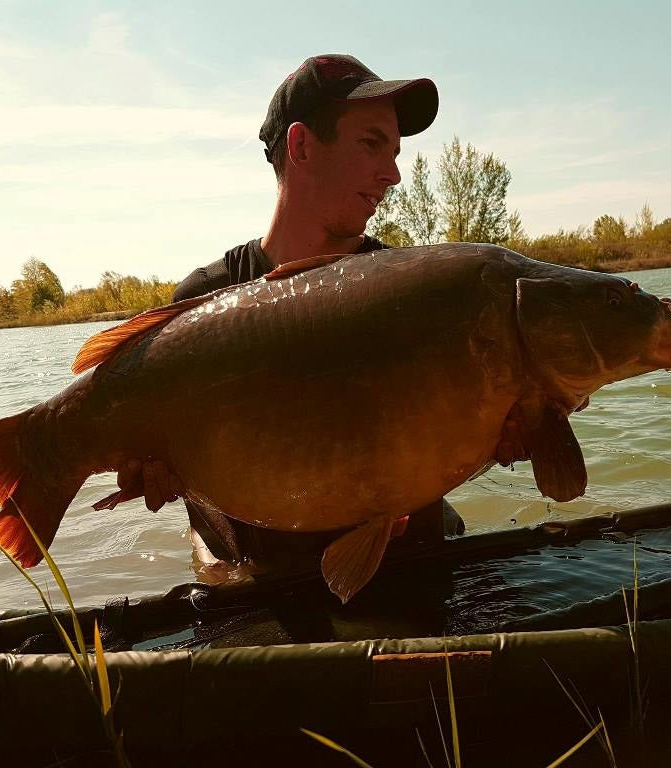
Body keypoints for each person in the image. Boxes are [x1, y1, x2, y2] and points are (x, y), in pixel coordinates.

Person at [119, 54, 465, 572]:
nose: (392, 174)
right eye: (371, 144)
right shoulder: (204, 303)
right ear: (301, 145)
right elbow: (191, 500)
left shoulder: (408, 291)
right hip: (263, 589)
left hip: (412, 569)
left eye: (395, 152)